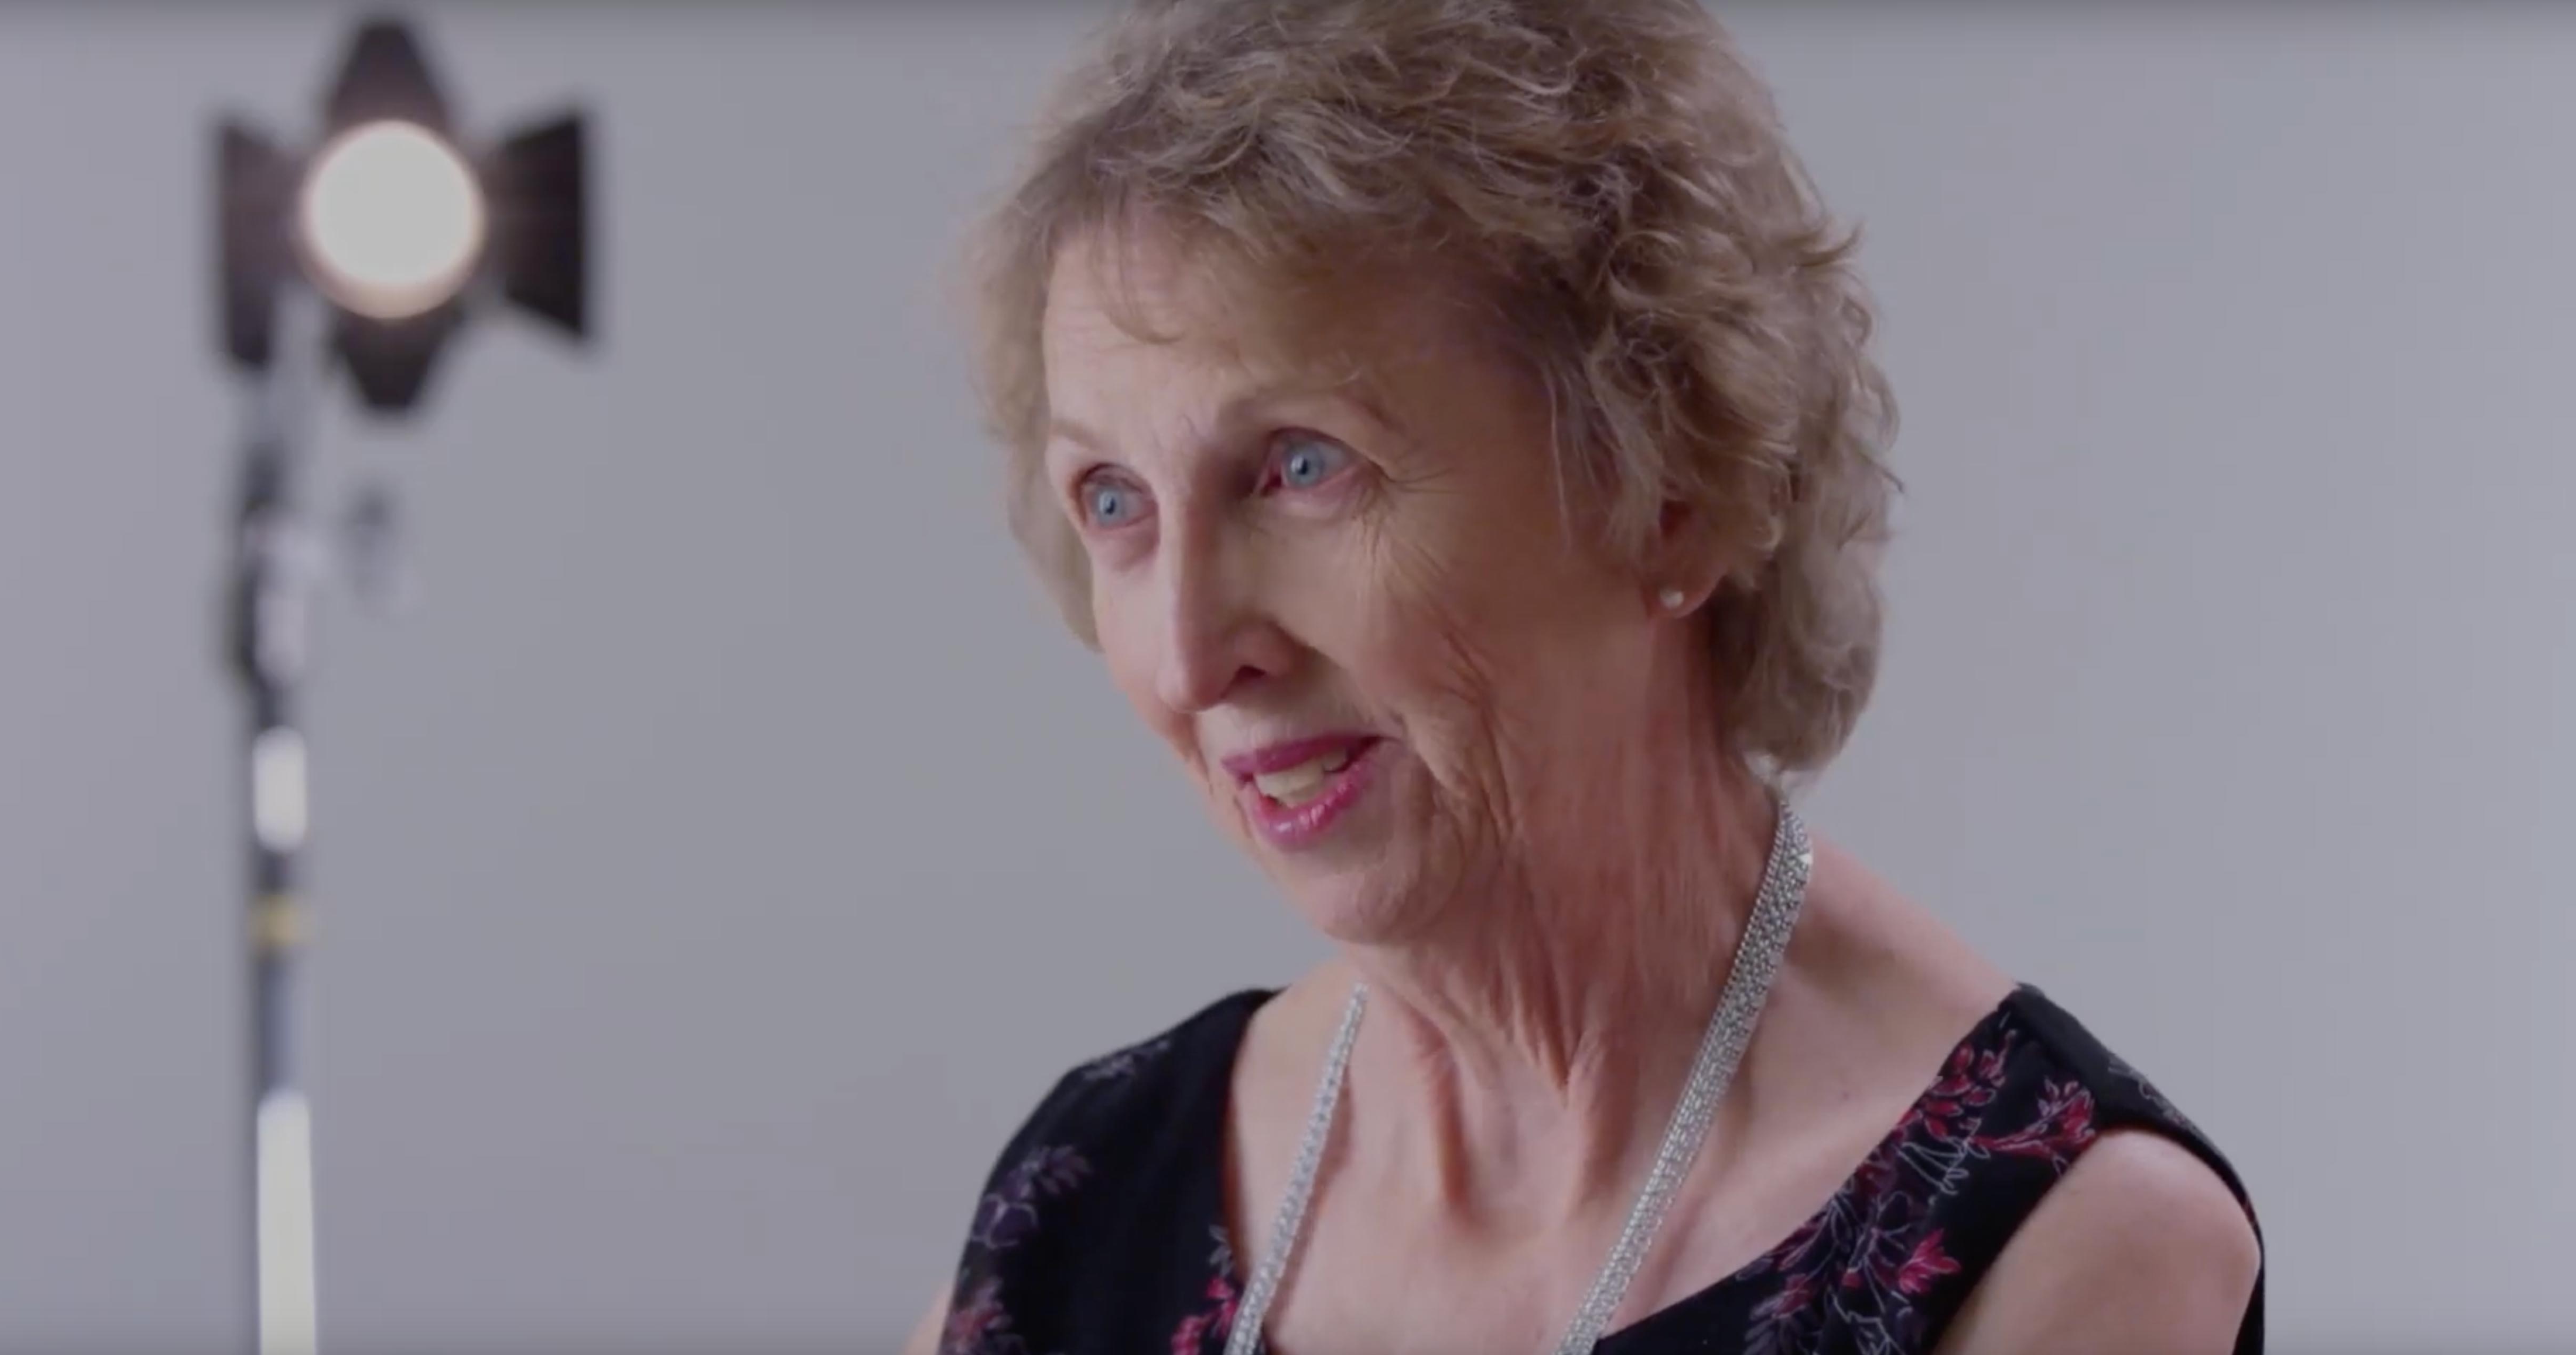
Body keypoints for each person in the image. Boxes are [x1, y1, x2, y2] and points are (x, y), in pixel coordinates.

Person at [908, 2, 2264, 1351]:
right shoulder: (1087, 1199)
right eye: (1113, 499)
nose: (1191, 657)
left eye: (1302, 466)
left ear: (1671, 488)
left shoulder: (2057, 1245)